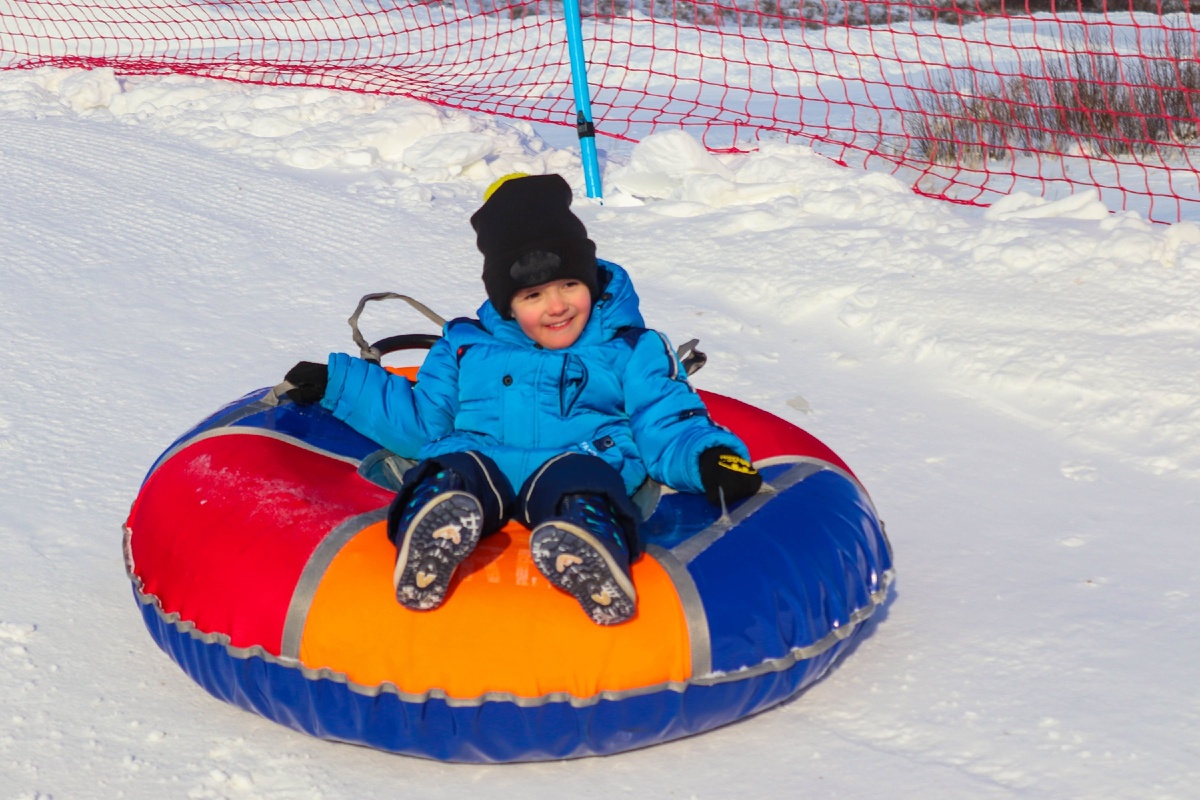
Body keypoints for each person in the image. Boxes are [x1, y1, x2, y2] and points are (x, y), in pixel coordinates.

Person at [283, 173, 761, 625]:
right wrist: (339, 384)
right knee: (451, 466)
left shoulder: (630, 347)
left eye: (570, 284)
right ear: (506, 303)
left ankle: (585, 543)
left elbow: (665, 419)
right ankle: (434, 529)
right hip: (480, 459)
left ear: (591, 282)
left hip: (582, 457)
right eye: (533, 295)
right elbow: (420, 421)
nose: (556, 306)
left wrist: (709, 458)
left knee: (583, 480)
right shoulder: (466, 346)